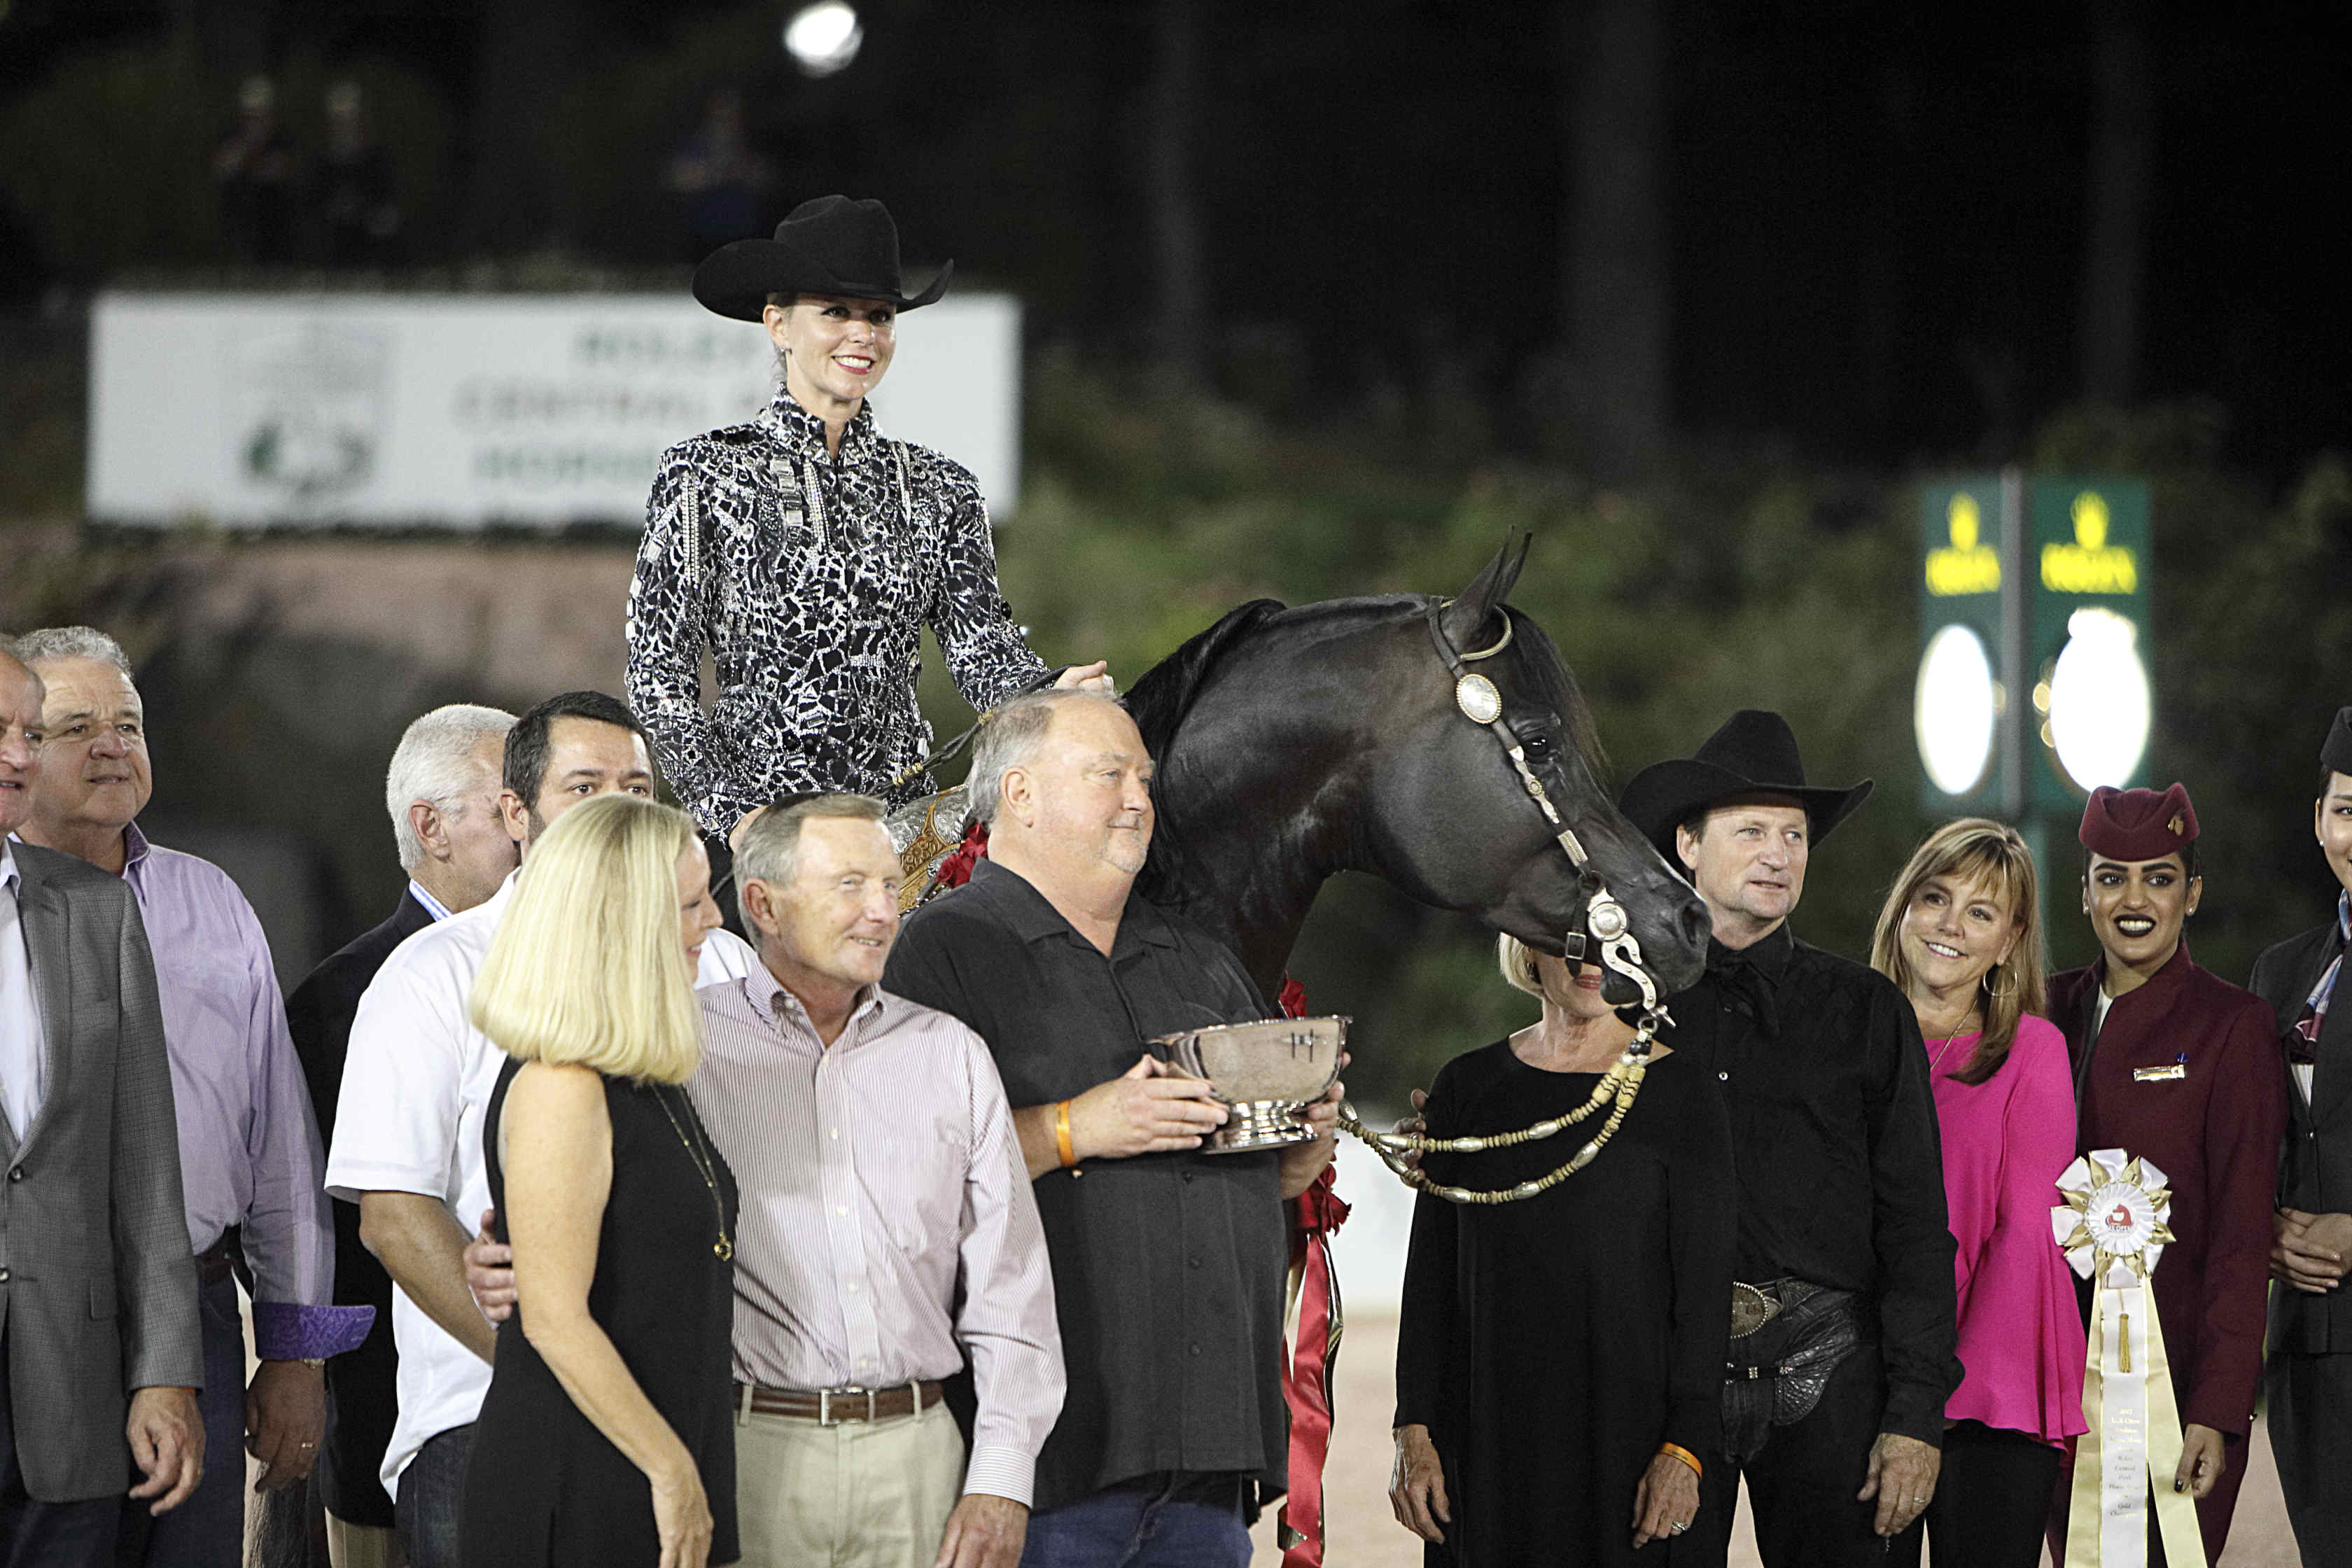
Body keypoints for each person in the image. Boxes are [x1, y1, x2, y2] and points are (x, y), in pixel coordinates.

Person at [466, 793, 1065, 1567]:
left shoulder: (948, 1054)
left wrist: (1002, 1476)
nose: (885, 910)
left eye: (892, 883)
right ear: (764, 905)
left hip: (910, 1455)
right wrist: (514, 1261)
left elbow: (1013, 1291)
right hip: (719, 1453)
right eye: (850, 884)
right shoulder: (675, 1051)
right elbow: (563, 1292)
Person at [880, 689, 1343, 1567]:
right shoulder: (940, 951)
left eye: (1142, 777)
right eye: (1107, 775)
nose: (1138, 797)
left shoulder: (1202, 959)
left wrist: (1304, 1137)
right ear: (1018, 794)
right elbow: (902, 1172)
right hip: (1042, 1476)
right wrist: (1076, 1126)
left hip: (1208, 1469)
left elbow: (1270, 1179)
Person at [323, 692, 757, 1568]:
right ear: (518, 813)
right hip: (493, 1414)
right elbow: (397, 1215)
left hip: (680, 1402)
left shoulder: (713, 974)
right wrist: (552, 1368)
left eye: (637, 785)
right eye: (588, 785)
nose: (618, 808)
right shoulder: (437, 975)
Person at [10, 625, 368, 1566]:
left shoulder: (212, 902)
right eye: (75, 725)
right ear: (14, 749)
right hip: (35, 1320)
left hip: (202, 1312)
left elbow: (279, 1146)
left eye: (127, 724)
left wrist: (294, 1351)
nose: (112, 746)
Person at [626, 193, 1110, 843]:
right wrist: (735, 818)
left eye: (879, 316)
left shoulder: (942, 488)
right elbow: (658, 673)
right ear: (777, 324)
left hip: (904, 831)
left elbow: (981, 650)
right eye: (836, 313)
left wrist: (1049, 692)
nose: (864, 334)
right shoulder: (703, 474)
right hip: (755, 834)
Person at [1615, 709, 1959, 1567]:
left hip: (1834, 1373)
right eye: (1753, 830)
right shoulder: (1620, 1004)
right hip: (1658, 1381)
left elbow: (1915, 1220)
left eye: (1795, 835)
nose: (1779, 853)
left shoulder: (1868, 1010)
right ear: (1688, 844)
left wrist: (1915, 1416)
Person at [458, 794, 740, 1567]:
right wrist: (673, 1470)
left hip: (645, 1457)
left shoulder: (639, 1075)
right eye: (690, 904)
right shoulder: (562, 1084)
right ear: (625, 923)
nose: (714, 922)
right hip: (583, 1478)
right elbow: (552, 1317)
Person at [1390, 936, 1733, 1564]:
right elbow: (1431, 1283)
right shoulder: (1466, 1086)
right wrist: (1413, 1430)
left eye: (1611, 941)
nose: (1591, 962)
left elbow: (1707, 1297)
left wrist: (1685, 1449)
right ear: (1528, 948)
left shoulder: (1685, 1092)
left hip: (1634, 1450)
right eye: (1570, 940)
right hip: (1486, 1441)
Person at [288, 704, 516, 1568]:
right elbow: (313, 1224)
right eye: (505, 804)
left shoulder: (573, 973)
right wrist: (315, 1381)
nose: (530, 825)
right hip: (392, 1408)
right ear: (432, 827)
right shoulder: (345, 993)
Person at [2048, 783, 2287, 1564]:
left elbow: (2244, 1235)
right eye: (2112, 875)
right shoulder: (2042, 1013)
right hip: (2051, 1384)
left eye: (2158, 874)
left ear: (2193, 892)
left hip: (2174, 1392)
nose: (2134, 897)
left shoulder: (2234, 1026)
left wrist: (2218, 1408)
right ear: (2084, 892)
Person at [0, 645, 202, 1565]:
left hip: (69, 1403)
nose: (18, 755)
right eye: (7, 733)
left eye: (24, 732)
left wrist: (163, 1374)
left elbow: (146, 1174)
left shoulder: (95, 912)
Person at [1868, 819, 2084, 1568]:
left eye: (1981, 911)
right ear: (1903, 908)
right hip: (1859, 1380)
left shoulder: (2032, 1050)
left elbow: (2026, 1235)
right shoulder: (1845, 1038)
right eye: (1936, 896)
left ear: (2008, 938)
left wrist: (1926, 1395)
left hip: (1988, 1388)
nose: (1951, 924)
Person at [2250, 707, 2352, 1566]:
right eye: (2347, 809)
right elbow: (2257, 1137)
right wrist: (2268, 1226)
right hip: (2307, 1344)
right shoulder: (2283, 972)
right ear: (2320, 820)